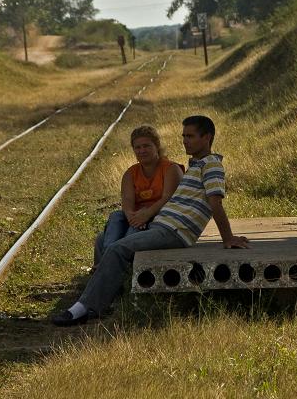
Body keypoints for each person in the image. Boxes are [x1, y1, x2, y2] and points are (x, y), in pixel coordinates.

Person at [52, 114, 248, 327]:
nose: (184, 140)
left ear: (207, 137)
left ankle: (85, 308)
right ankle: (105, 297)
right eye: (183, 136)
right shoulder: (196, 165)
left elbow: (215, 202)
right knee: (105, 241)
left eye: (190, 136)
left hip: (174, 231)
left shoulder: (211, 165)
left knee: (117, 249)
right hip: (162, 226)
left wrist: (227, 238)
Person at [96, 125, 182, 258]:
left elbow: (167, 198)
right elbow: (127, 201)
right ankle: (109, 255)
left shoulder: (171, 169)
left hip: (161, 216)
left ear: (157, 146)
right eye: (138, 147)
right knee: (116, 216)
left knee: (134, 228)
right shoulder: (130, 173)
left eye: (147, 146)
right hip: (138, 217)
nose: (142, 150)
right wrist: (133, 218)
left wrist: (146, 215)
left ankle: (118, 258)